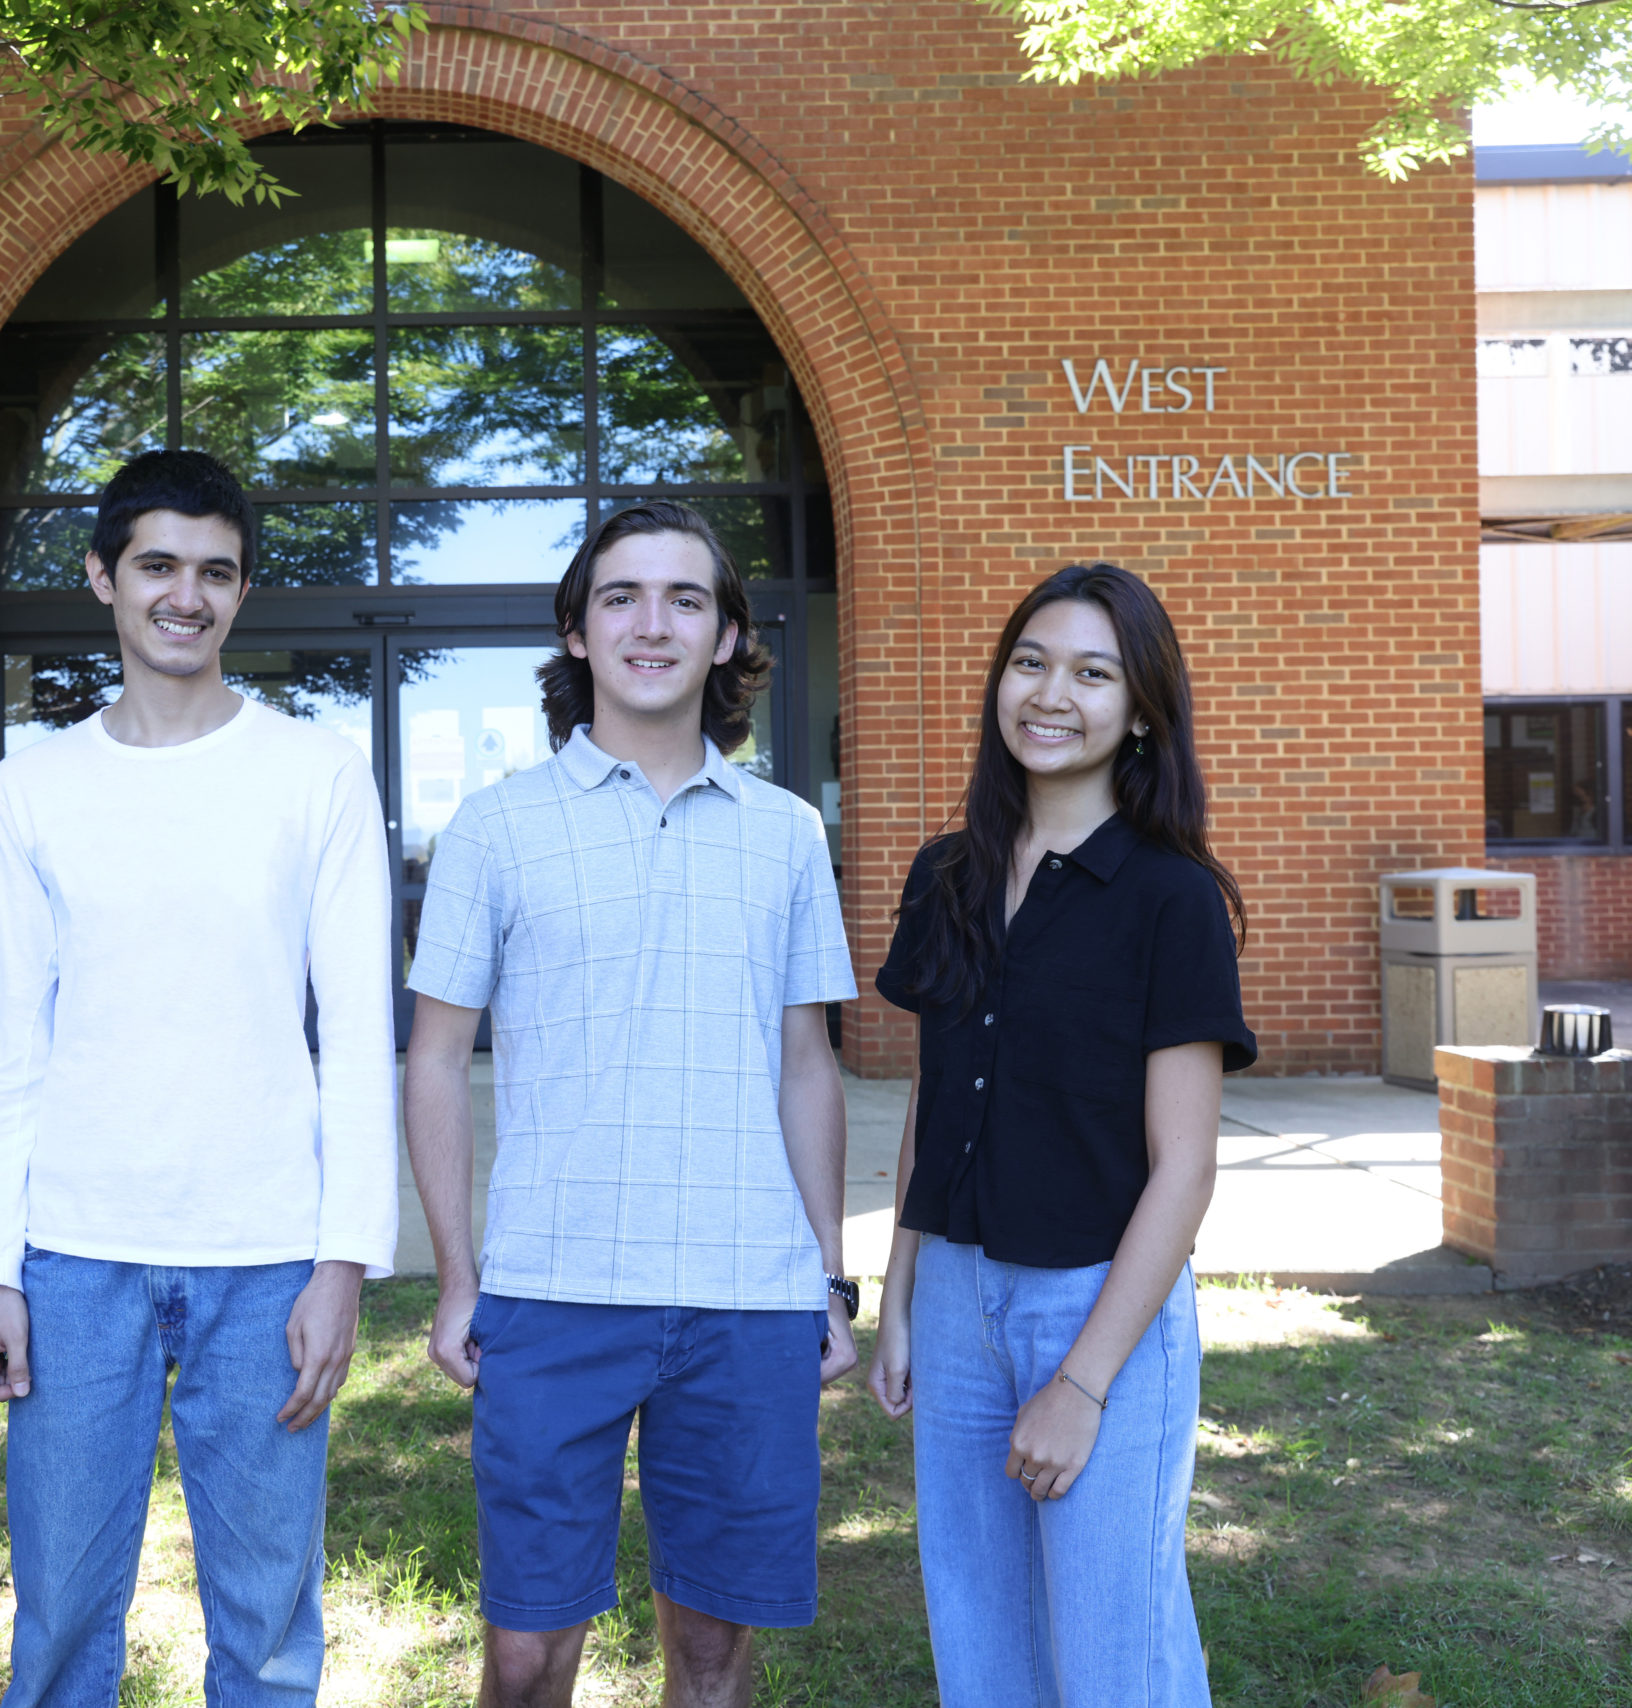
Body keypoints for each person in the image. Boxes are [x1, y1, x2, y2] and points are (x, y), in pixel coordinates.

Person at [403, 499, 862, 1708]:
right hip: (552, 1289)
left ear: (723, 638)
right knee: (523, 1653)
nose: (650, 624)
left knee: (712, 1657)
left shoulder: (787, 833)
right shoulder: (494, 828)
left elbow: (807, 1063)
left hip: (745, 1294)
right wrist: (459, 1278)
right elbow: (434, 1058)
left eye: (684, 599)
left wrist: (826, 1273)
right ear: (574, 630)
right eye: (621, 596)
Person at [0, 448, 397, 1708]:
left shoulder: (313, 770)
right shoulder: (31, 785)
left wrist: (342, 1263)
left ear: (242, 591)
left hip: (265, 1254)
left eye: (215, 572)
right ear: (102, 576)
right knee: (56, 1617)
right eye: (157, 565)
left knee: (266, 1628)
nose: (185, 595)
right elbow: (14, 1045)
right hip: (73, 1255)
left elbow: (357, 1033)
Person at [865, 561, 1254, 1707]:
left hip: (1099, 1311)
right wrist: (899, 1294)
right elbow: (934, 1106)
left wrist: (1080, 1383)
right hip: (953, 1303)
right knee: (981, 1652)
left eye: (1093, 672)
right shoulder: (946, 875)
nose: (1052, 693)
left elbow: (1184, 1170)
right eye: (1031, 662)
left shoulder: (1169, 896)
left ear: (1139, 709)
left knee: (1111, 1665)